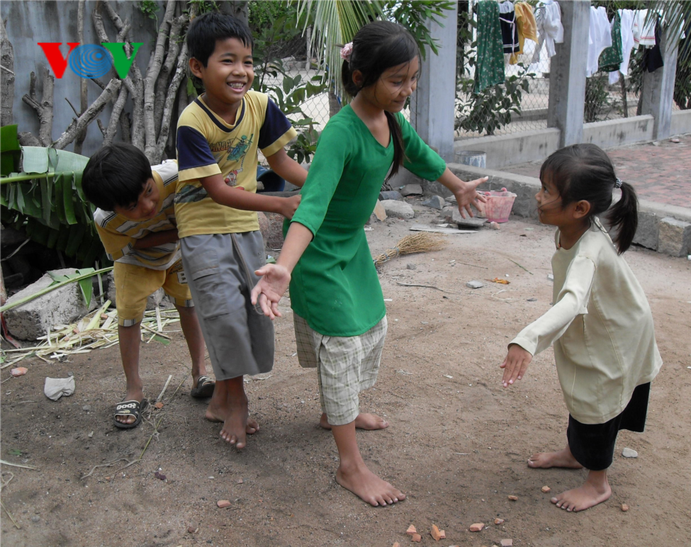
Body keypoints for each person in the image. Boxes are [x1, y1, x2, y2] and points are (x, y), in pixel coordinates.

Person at [250, 21, 488, 507]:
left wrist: (457, 186)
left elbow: (421, 156)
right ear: (361, 77)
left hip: (351, 250)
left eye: (414, 78)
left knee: (370, 328)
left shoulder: (391, 120)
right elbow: (312, 205)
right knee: (340, 344)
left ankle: (337, 411)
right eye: (397, 80)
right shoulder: (341, 133)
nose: (409, 90)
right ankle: (350, 466)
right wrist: (285, 267)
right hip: (318, 255)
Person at [499, 143, 662, 512]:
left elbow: (572, 301)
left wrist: (526, 340)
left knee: (596, 405)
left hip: (615, 338)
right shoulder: (577, 226)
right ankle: (574, 453)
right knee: (581, 392)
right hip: (602, 328)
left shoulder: (588, 250)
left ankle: (597, 483)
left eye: (546, 191)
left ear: (579, 208)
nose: (537, 197)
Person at [176, 12, 308, 450]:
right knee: (222, 315)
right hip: (202, 230)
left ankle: (220, 398)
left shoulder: (261, 106)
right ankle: (238, 401)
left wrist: (323, 185)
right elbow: (215, 189)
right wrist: (280, 203)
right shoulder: (191, 123)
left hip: (244, 228)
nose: (241, 72)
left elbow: (282, 163)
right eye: (228, 61)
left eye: (248, 61)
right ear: (199, 67)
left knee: (252, 312)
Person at [82, 143, 211, 429]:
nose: (148, 206)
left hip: (177, 254)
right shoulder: (106, 221)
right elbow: (135, 244)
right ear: (113, 208)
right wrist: (177, 231)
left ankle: (199, 373)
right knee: (128, 318)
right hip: (136, 261)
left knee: (189, 306)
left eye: (148, 192)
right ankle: (134, 389)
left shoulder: (177, 176)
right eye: (132, 207)